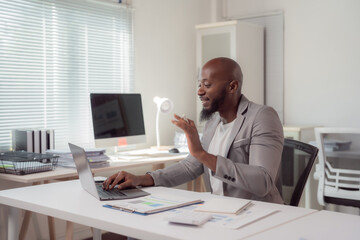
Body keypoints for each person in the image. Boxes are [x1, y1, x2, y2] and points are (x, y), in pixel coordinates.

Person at [103, 57, 284, 204]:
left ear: (232, 87)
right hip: (221, 210)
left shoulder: (262, 117)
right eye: (199, 84)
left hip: (257, 212)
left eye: (207, 85)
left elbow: (262, 182)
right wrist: (140, 179)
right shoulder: (213, 122)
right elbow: (191, 166)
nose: (199, 91)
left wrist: (201, 153)